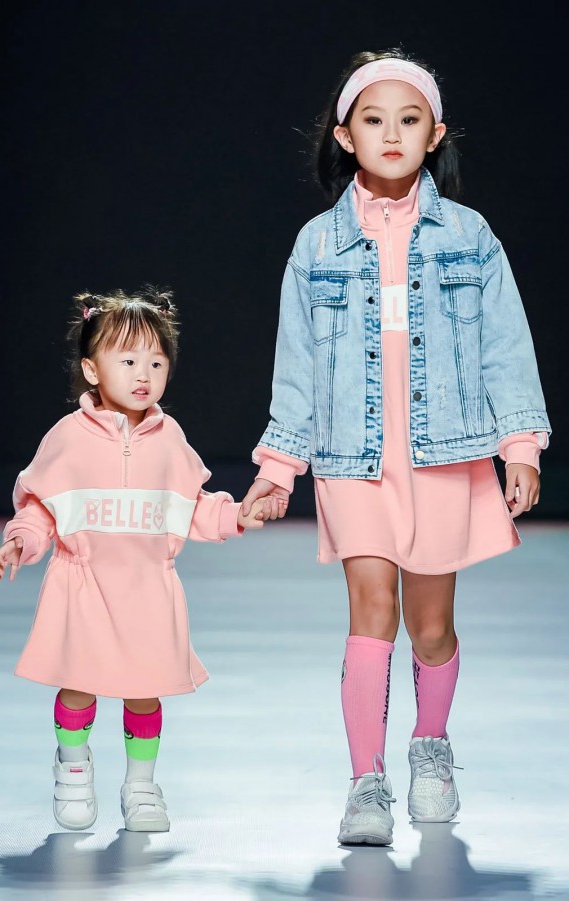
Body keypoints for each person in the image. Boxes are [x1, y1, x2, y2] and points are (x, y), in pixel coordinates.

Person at [241, 49, 551, 846]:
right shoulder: (317, 245)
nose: (391, 134)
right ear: (344, 135)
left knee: (431, 624)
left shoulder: (470, 236)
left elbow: (505, 345)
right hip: (355, 456)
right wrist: (279, 467)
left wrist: (520, 444)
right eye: (373, 120)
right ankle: (366, 781)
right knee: (371, 610)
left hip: (445, 454)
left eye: (408, 120)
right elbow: (296, 364)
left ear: (434, 133)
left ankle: (431, 746)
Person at [0, 287, 278, 833]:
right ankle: (73, 769)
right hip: (82, 588)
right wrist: (21, 540)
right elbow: (40, 508)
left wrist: (235, 516)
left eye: (156, 362)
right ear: (92, 369)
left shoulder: (170, 439)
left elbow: (193, 506)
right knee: (77, 683)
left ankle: (141, 786)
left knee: (143, 692)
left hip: (148, 589)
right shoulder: (67, 438)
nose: (143, 374)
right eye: (127, 361)